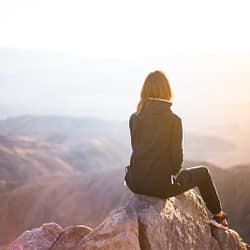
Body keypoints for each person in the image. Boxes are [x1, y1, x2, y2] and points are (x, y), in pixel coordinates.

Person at [124, 70, 229, 229]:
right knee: (204, 173)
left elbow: (137, 149)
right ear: (167, 91)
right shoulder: (173, 120)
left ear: (144, 92)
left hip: (135, 182)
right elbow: (176, 163)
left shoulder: (134, 117)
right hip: (160, 187)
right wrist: (172, 175)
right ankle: (218, 216)